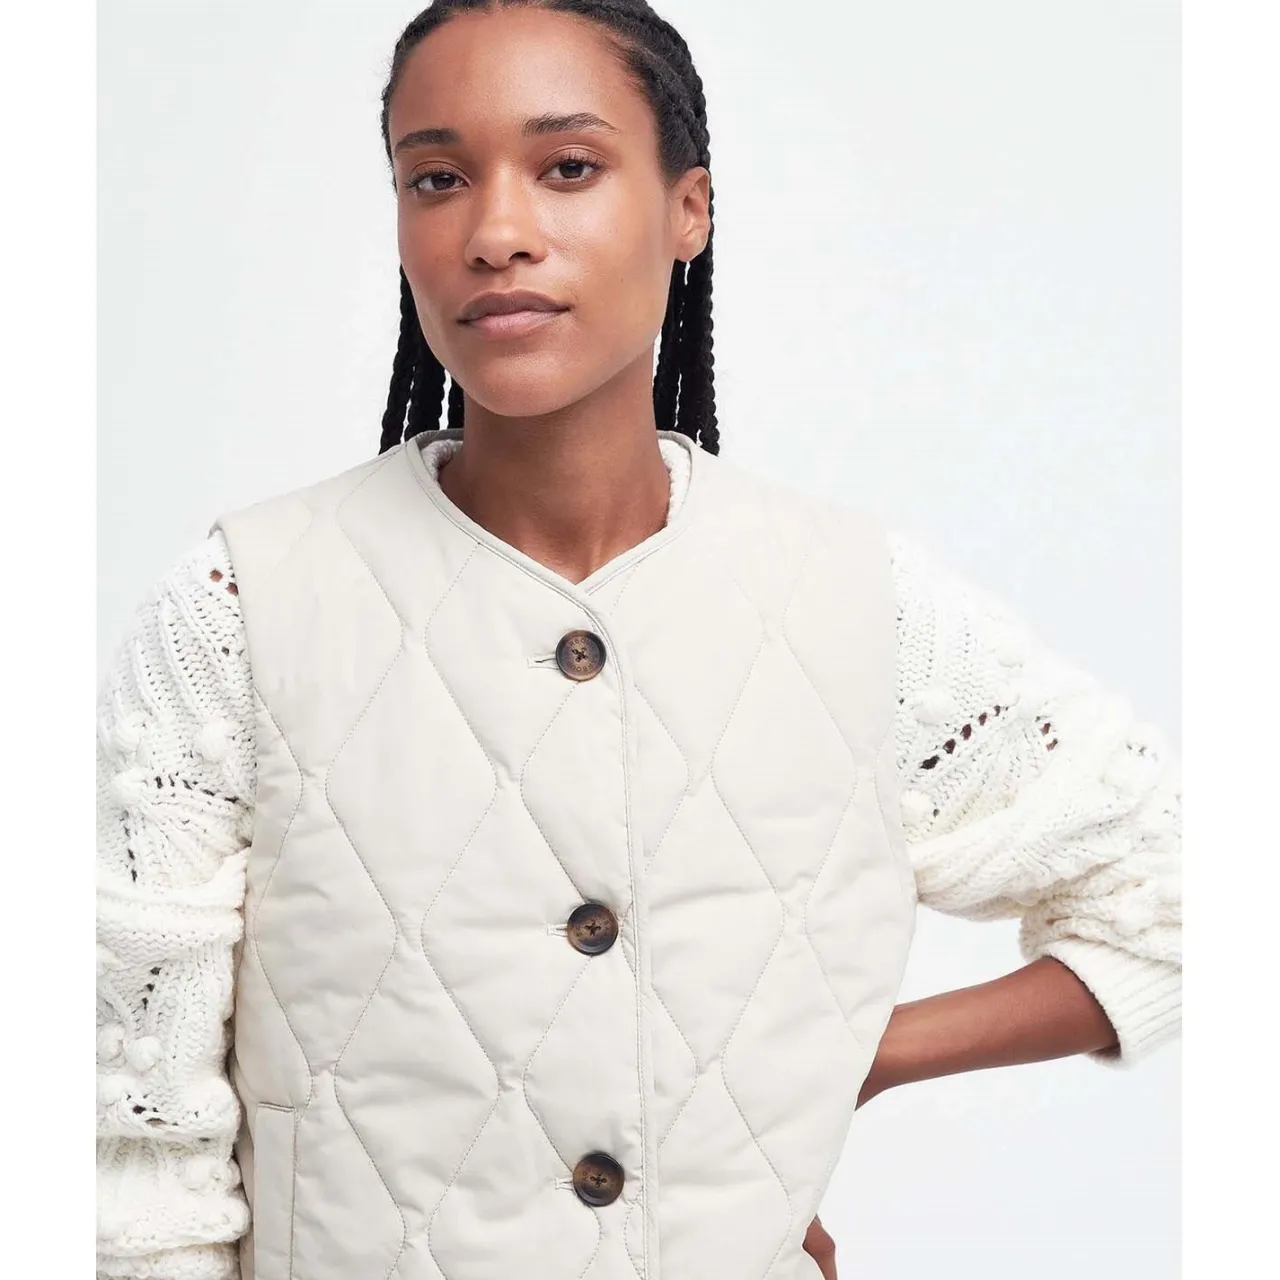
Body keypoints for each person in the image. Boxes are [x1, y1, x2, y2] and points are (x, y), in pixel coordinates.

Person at [95, 3, 1182, 1279]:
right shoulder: (241, 605)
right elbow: (132, 1141)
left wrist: (840, 1058)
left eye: (567, 166)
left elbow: (1177, 896)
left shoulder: (851, 599)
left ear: (688, 209)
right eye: (436, 178)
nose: (495, 231)